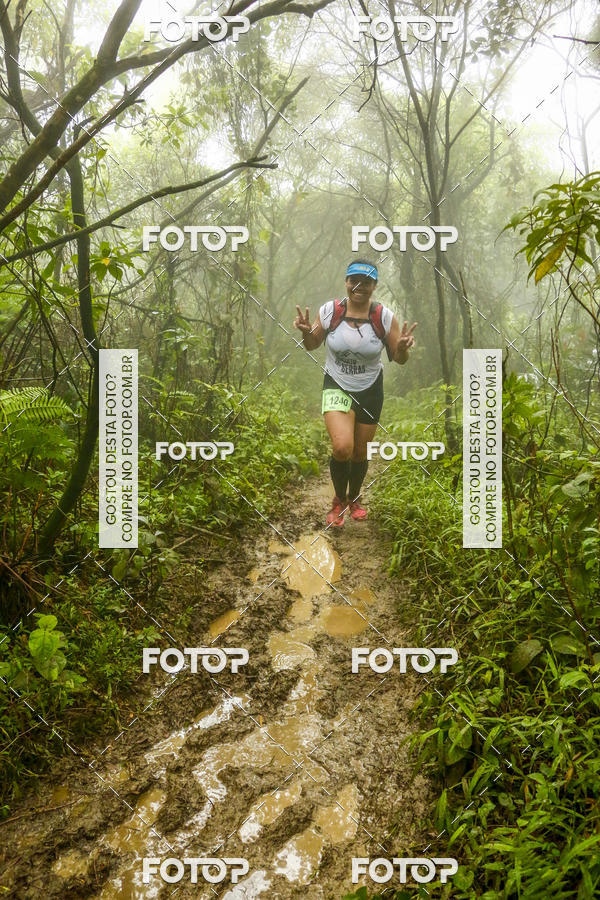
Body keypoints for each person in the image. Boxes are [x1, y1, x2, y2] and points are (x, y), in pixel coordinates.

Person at [294, 260, 417, 527]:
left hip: (371, 388)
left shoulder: (384, 317)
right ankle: (339, 500)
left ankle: (355, 499)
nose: (359, 286)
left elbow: (399, 357)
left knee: (360, 452)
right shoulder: (330, 311)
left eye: (367, 282)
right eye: (354, 280)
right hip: (336, 384)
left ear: (374, 286)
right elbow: (313, 344)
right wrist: (306, 333)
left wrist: (404, 347)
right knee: (342, 447)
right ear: (347, 282)